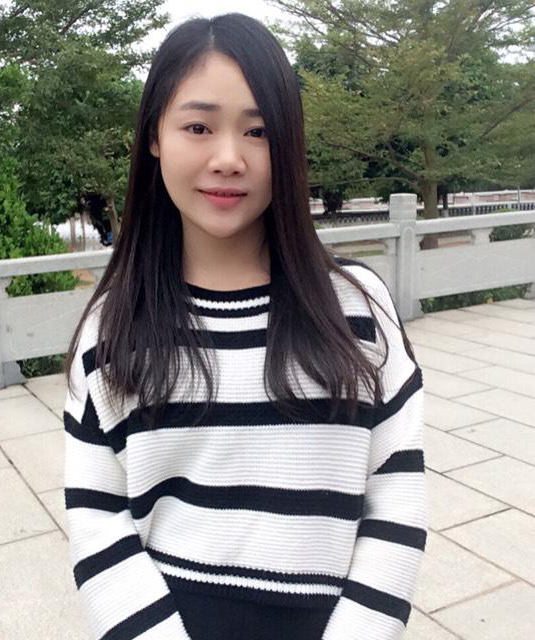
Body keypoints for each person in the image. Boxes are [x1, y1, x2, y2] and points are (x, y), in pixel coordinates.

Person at [62, 12, 427, 640]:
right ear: (154, 138)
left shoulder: (358, 308)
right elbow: (98, 522)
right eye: (198, 127)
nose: (228, 158)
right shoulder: (113, 329)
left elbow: (396, 495)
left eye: (257, 131)